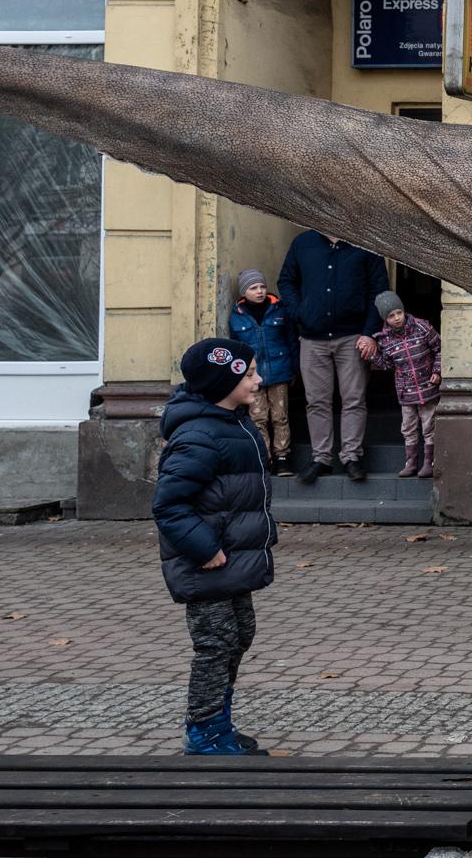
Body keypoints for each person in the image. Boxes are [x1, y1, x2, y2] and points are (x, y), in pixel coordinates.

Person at [152, 337, 277, 755]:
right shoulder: (200, 435)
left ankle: (219, 721)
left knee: (240, 634)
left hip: (231, 558)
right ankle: (204, 728)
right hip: (207, 561)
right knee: (215, 643)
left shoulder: (231, 421)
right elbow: (169, 504)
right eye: (250, 373)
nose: (259, 379)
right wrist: (205, 549)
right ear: (224, 380)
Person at [278, 230, 390, 483]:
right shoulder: (302, 243)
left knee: (354, 399)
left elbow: (379, 291)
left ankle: (351, 457)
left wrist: (370, 333)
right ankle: (321, 459)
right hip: (312, 338)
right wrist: (299, 311)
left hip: (353, 337)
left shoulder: (367, 242)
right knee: (316, 401)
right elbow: (287, 280)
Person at [226, 269, 297, 476]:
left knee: (280, 417)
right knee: (258, 419)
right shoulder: (236, 317)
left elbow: (292, 340)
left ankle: (282, 457)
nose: (259, 291)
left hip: (280, 374)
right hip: (251, 379)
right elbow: (235, 350)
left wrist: (295, 369)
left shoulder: (280, 309)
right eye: (253, 288)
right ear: (243, 292)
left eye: (262, 286)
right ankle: (264, 458)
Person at [370, 290, 441, 478]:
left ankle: (429, 463)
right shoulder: (385, 340)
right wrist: (372, 355)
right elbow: (387, 364)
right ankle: (410, 463)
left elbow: (440, 350)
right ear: (385, 319)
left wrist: (437, 371)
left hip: (428, 389)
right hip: (406, 392)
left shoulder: (422, 327)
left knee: (429, 425)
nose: (396, 318)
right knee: (408, 427)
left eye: (398, 313)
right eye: (391, 316)